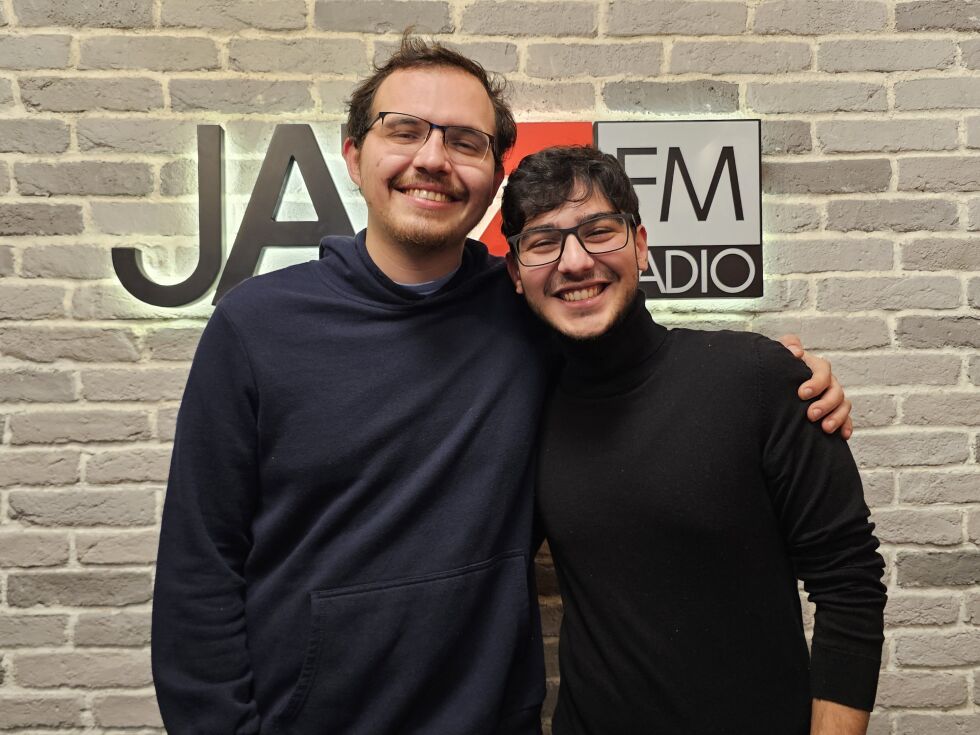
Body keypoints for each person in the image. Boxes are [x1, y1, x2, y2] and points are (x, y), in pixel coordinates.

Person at [151, 37, 852, 734]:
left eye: (465, 141)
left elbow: (647, 366)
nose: (433, 158)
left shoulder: (531, 311)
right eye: (405, 130)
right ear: (354, 156)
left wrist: (785, 376)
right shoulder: (256, 325)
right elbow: (198, 573)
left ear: (492, 178)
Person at [501, 146, 887, 735]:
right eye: (542, 242)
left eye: (599, 232)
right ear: (515, 273)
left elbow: (850, 583)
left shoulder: (757, 378)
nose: (575, 262)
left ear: (640, 245)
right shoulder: (524, 411)